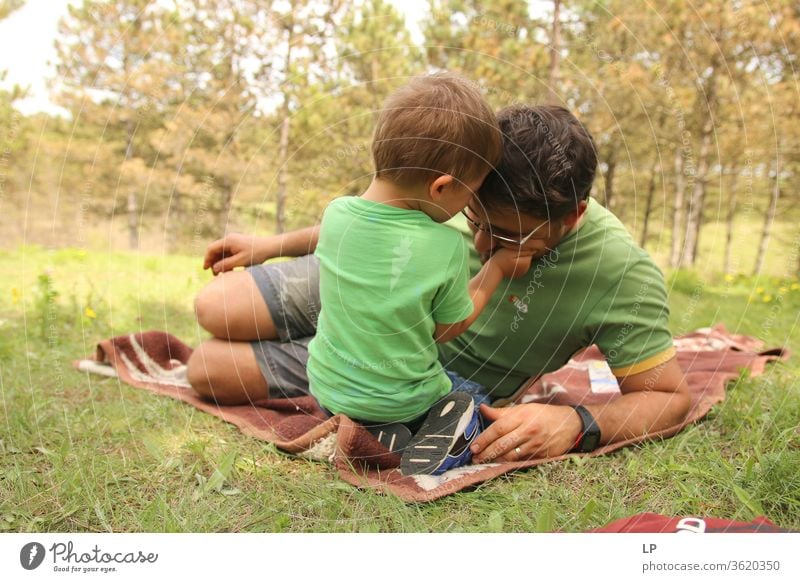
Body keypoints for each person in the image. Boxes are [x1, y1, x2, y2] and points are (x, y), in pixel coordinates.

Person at [188, 102, 691, 470]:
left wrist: (575, 422)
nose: (479, 240)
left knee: (207, 369)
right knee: (216, 304)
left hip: (405, 372)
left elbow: (668, 397)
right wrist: (271, 245)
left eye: (508, 235)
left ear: (574, 215)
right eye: (473, 217)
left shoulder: (621, 274)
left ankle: (333, 369)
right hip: (372, 283)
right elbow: (385, 219)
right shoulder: (467, 181)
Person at [190, 73, 530, 475]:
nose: (470, 206)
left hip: (329, 394)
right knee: (470, 394)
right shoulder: (445, 247)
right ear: (441, 188)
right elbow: (447, 329)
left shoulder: (336, 216)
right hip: (403, 400)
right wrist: (496, 269)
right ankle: (422, 427)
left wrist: (268, 246)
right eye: (471, 193)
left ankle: (368, 430)